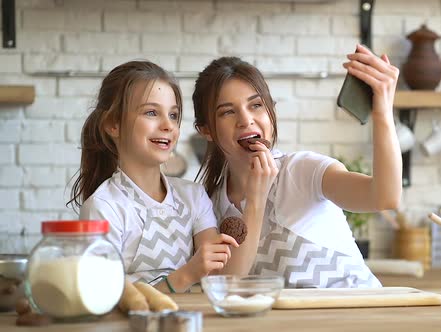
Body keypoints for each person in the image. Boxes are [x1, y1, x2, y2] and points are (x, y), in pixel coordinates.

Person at [192, 44, 403, 288]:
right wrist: (256, 198)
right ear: (205, 130)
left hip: (360, 313)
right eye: (228, 112)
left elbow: (384, 198)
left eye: (256, 105)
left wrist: (383, 112)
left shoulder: (303, 170)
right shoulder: (210, 207)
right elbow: (226, 286)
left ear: (272, 111)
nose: (246, 119)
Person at [68, 60, 240, 294]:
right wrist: (187, 274)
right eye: (151, 112)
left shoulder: (194, 197)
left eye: (173, 115)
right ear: (113, 124)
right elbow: (101, 299)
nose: (168, 125)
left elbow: (217, 276)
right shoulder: (104, 207)